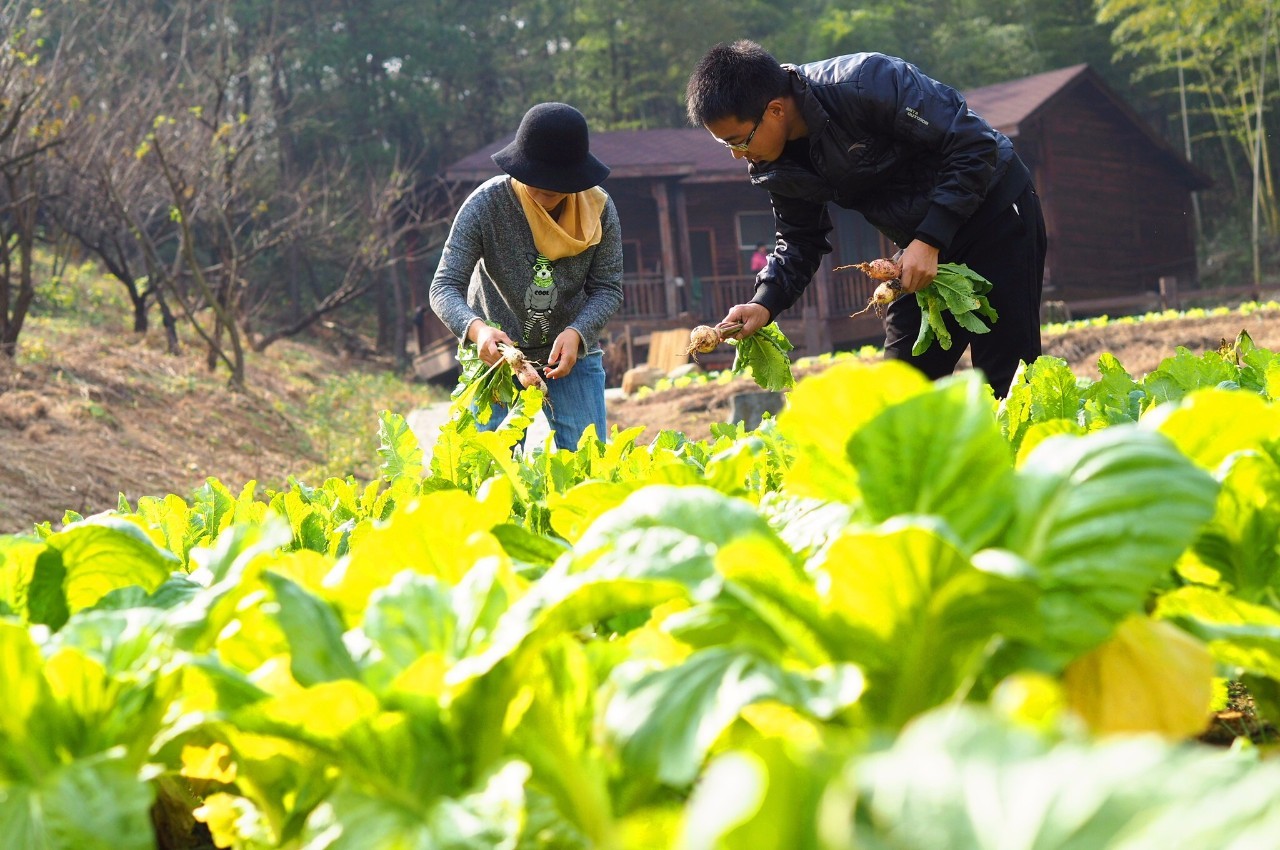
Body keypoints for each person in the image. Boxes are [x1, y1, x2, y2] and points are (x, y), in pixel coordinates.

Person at [685, 40, 1047, 397]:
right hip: (918, 248)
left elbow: (973, 142)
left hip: (996, 211)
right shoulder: (773, 162)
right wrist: (764, 302)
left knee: (1009, 385)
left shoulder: (865, 81)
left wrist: (930, 239)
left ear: (776, 110)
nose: (736, 155)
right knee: (901, 395)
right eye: (726, 144)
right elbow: (799, 238)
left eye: (739, 140)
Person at [429, 102, 623, 450]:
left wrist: (578, 333)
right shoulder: (486, 204)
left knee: (587, 464)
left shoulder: (599, 209)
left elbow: (608, 288)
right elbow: (444, 286)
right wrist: (479, 331)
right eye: (531, 181)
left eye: (553, 187)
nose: (540, 192)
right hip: (496, 358)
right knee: (487, 467)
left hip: (569, 356)